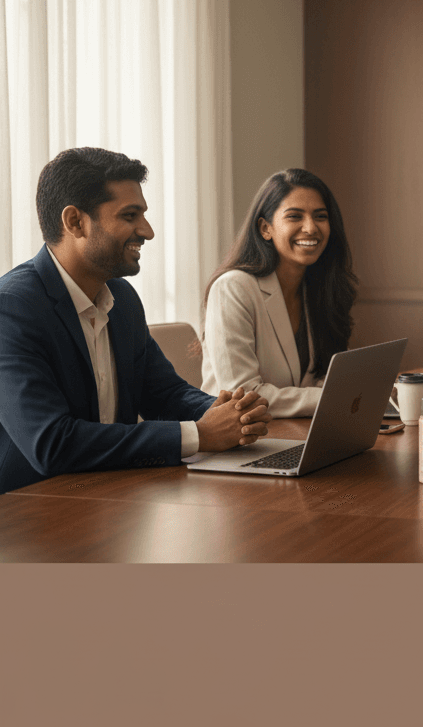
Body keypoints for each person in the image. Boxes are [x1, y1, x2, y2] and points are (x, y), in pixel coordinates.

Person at [0, 147, 272, 495]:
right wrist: (200, 435)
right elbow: (51, 443)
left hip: (113, 496)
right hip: (31, 512)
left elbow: (164, 392)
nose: (147, 231)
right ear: (75, 222)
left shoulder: (122, 299)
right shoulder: (12, 308)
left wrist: (230, 412)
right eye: (130, 216)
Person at [201, 168, 357, 417]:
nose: (310, 228)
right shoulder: (233, 288)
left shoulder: (318, 290)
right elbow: (243, 395)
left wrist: (364, 391)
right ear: (265, 228)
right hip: (238, 443)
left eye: (320, 216)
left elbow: (320, 378)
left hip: (297, 434)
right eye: (294, 216)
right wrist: (338, 396)